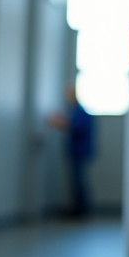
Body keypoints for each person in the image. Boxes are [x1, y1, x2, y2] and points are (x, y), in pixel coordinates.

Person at [48, 84, 96, 219]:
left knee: (79, 181)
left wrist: (58, 123)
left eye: (69, 94)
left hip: (80, 151)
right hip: (77, 151)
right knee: (76, 181)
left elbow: (74, 126)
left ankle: (80, 210)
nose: (67, 97)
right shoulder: (75, 111)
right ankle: (78, 208)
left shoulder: (80, 112)